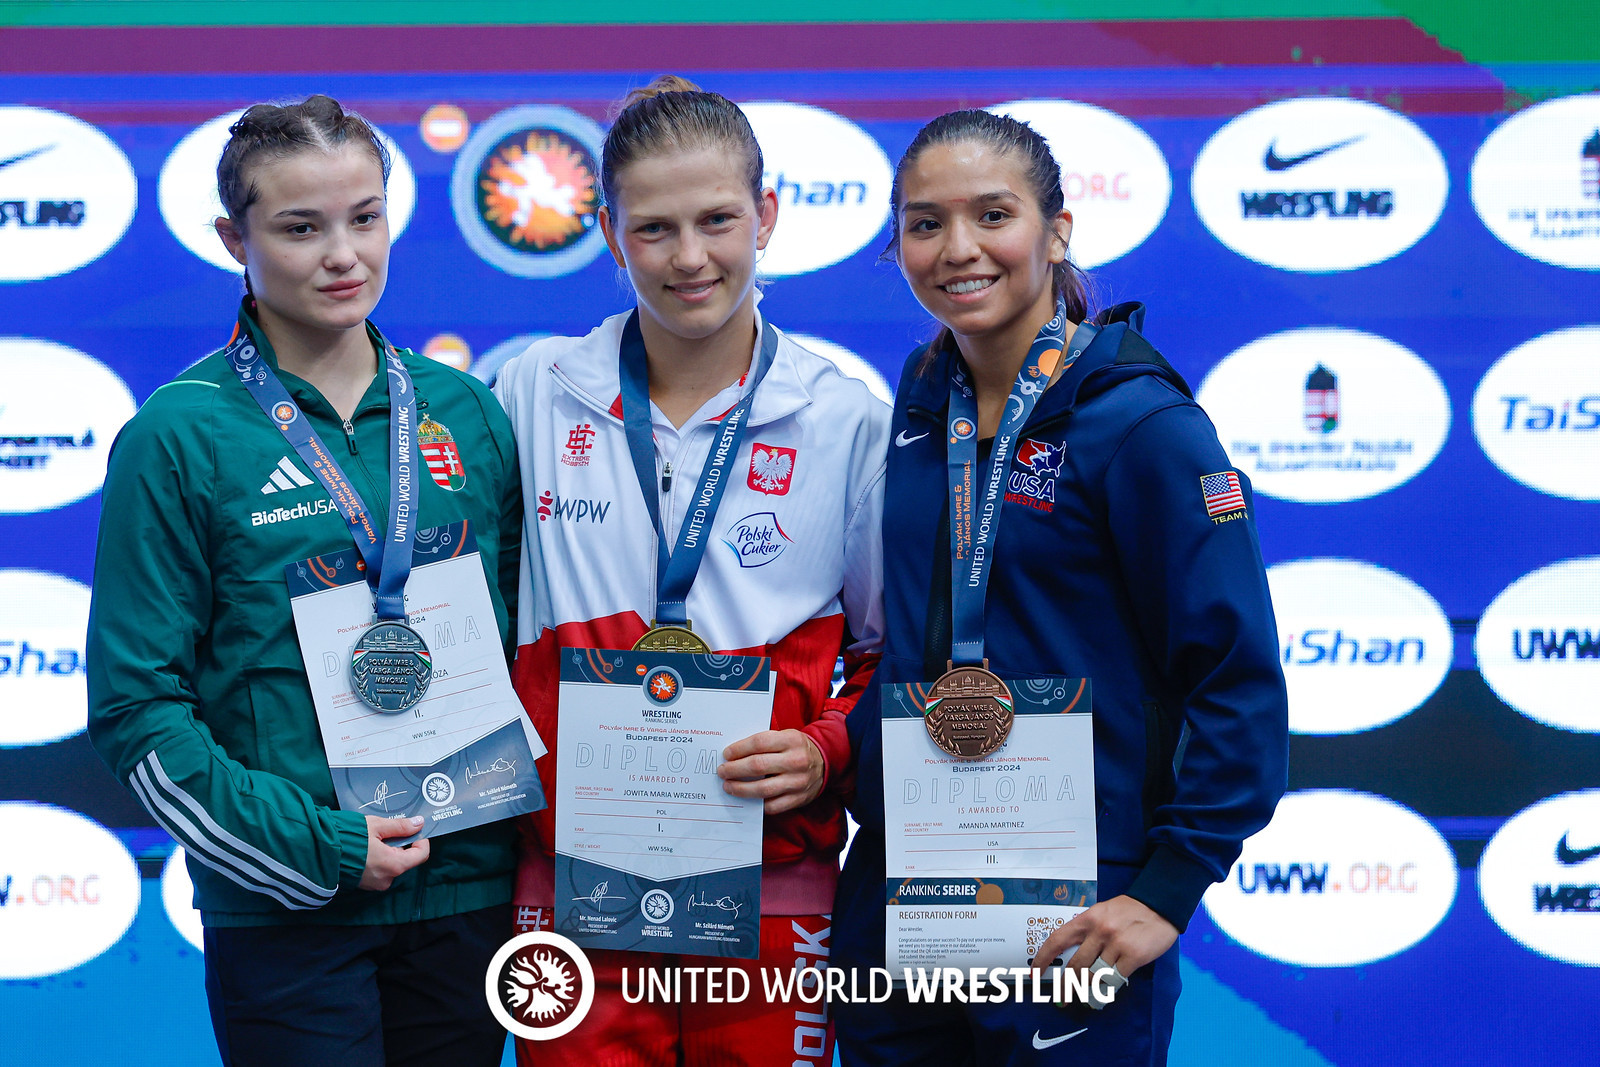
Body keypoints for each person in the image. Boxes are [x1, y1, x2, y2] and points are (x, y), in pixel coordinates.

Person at [831, 110, 1289, 1065]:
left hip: (1077, 904)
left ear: (1058, 230)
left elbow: (1237, 677)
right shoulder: (922, 398)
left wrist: (1168, 888)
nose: (959, 249)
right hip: (905, 895)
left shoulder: (1142, 423)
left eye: (993, 215)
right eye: (925, 223)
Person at [86, 95, 523, 1067]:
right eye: (300, 227)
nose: (343, 254)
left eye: (364, 217)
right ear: (230, 238)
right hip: (289, 906)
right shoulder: (179, 433)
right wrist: (314, 844)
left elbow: (517, 647)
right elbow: (136, 711)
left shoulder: (466, 413)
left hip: (466, 890)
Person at [493, 75, 890, 1065]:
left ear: (766, 214)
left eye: (717, 219)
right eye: (655, 228)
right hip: (571, 886)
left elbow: (895, 656)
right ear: (609, 233)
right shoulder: (533, 390)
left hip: (771, 887)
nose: (690, 256)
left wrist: (830, 748)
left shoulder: (844, 420)